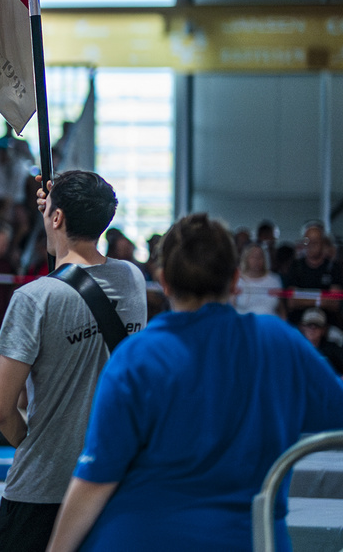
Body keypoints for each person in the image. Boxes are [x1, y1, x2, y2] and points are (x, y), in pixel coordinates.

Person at [46, 213, 343, 552]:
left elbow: (97, 479)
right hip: (248, 538)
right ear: (235, 280)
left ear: (164, 282)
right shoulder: (280, 343)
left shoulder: (137, 358)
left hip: (141, 536)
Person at [0, 171, 147, 552]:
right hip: (112, 479)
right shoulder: (133, 279)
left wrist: (36, 445)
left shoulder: (34, 298)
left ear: (56, 217)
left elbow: (0, 410)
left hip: (43, 487)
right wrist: (61, 205)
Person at [234, 244, 284, 318]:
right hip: (243, 325)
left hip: (269, 324)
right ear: (246, 258)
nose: (257, 260)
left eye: (260, 256)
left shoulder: (274, 280)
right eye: (253, 256)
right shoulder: (236, 279)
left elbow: (281, 308)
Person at [298, 307, 343, 374]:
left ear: (323, 329)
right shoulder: (296, 348)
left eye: (317, 325)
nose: (313, 328)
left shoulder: (332, 349)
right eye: (309, 324)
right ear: (302, 327)